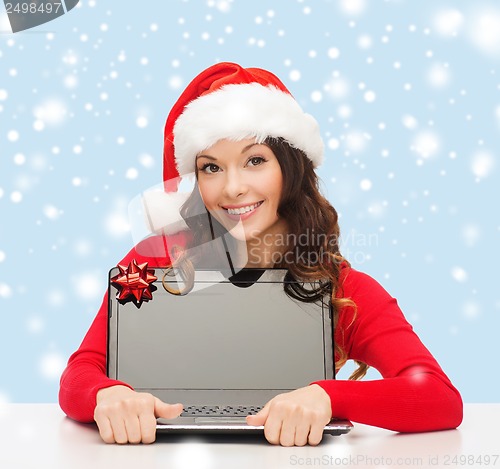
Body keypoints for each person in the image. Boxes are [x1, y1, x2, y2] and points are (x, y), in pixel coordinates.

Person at [59, 62, 463, 446]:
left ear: (290, 168)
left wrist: (328, 398)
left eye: (255, 160)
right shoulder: (152, 262)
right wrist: (105, 395)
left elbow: (439, 397)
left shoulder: (342, 289)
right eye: (211, 167)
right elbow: (80, 373)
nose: (232, 188)